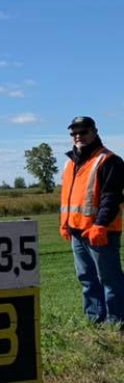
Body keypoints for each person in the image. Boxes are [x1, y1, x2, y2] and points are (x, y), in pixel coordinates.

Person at [60, 116, 124, 327]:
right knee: (86, 279)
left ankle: (117, 322)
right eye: (74, 133)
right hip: (77, 232)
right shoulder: (71, 163)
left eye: (83, 131)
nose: (78, 136)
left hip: (100, 231)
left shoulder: (109, 160)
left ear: (94, 132)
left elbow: (111, 197)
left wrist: (100, 225)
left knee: (110, 279)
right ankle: (95, 320)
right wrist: (65, 223)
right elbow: (68, 197)